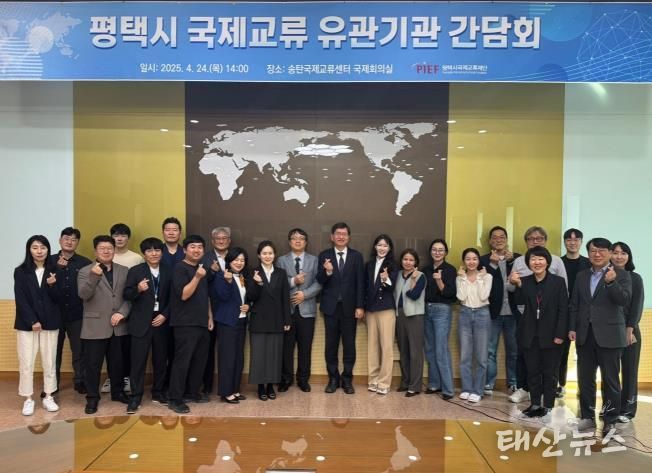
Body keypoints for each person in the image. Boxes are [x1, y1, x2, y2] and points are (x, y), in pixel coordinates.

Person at [569, 238, 631, 436]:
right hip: (585, 335)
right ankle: (587, 417)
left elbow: (624, 300)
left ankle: (610, 420)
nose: (597, 254)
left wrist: (611, 282)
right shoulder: (581, 275)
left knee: (610, 381)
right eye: (593, 250)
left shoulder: (621, 274)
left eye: (602, 250)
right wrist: (572, 327)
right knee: (585, 379)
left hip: (610, 336)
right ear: (588, 253)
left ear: (610, 253)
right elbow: (575, 304)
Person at [507, 226, 568, 404]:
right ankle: (534, 404)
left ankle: (547, 405)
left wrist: (560, 334)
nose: (537, 262)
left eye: (541, 259)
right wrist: (517, 284)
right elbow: (519, 301)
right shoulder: (525, 281)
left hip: (552, 333)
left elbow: (563, 308)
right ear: (528, 263)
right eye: (533, 259)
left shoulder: (558, 281)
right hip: (530, 332)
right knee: (532, 370)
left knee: (550, 372)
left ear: (547, 262)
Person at [78, 235, 131, 414]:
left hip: (119, 325)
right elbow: (83, 294)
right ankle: (92, 398)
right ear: (96, 251)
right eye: (102, 248)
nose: (107, 251)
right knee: (93, 365)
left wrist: (122, 313)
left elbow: (129, 297)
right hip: (95, 326)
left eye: (110, 248)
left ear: (114, 250)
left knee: (117, 363)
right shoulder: (85, 271)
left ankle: (118, 392)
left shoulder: (124, 270)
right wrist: (94, 276)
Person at [123, 237, 172, 414]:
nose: (154, 253)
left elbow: (174, 297)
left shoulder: (169, 271)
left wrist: (165, 315)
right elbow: (126, 294)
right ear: (144, 254)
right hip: (141, 322)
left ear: (162, 252)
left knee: (160, 360)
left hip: (161, 321)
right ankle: (135, 396)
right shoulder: (136, 271)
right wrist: (138, 289)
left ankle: (158, 392)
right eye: (149, 250)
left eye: (157, 250)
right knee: (138, 361)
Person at [14, 235, 61, 415]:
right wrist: (32, 320)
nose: (39, 251)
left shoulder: (55, 269)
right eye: (35, 247)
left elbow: (59, 299)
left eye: (43, 247)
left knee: (49, 361)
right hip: (27, 324)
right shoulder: (21, 271)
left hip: (50, 321)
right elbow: (21, 299)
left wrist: (53, 285)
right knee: (26, 362)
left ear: (48, 249)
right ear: (29, 250)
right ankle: (28, 399)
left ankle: (49, 396)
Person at [316, 222, 365, 394]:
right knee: (331, 345)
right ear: (332, 237)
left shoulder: (356, 256)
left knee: (349, 345)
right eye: (338, 234)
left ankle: (347, 380)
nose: (341, 237)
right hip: (330, 308)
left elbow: (360, 283)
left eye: (344, 234)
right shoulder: (324, 255)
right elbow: (319, 280)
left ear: (348, 237)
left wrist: (360, 306)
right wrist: (328, 271)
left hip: (350, 309)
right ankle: (333, 379)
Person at [167, 235, 213, 414]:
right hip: (185, 323)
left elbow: (206, 296)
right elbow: (184, 294)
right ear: (185, 250)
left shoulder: (201, 269)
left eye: (200, 247)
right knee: (182, 362)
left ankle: (192, 393)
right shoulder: (179, 268)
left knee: (199, 361)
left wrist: (209, 317)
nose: (196, 250)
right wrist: (197, 277)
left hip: (201, 322)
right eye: (192, 247)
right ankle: (175, 399)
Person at [276, 228, 321, 392]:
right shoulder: (281, 260)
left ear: (306, 242)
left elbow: (319, 282)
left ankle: (303, 380)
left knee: (305, 347)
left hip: (307, 311)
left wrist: (305, 294)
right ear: (289, 242)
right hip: (287, 311)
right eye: (294, 238)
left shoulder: (314, 260)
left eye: (301, 238)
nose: (298, 240)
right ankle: (286, 379)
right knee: (286, 348)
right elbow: (277, 283)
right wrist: (293, 281)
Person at [49, 227, 92, 395]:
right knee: (53, 350)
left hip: (77, 313)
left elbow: (89, 288)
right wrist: (57, 269)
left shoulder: (85, 263)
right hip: (54, 314)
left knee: (79, 350)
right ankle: (51, 384)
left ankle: (80, 381)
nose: (69, 242)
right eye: (66, 238)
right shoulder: (49, 261)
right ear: (60, 240)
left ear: (77, 243)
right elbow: (44, 285)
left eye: (74, 239)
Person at [248, 241, 291, 401]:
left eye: (270, 253)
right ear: (259, 255)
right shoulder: (253, 272)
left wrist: (287, 320)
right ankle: (260, 386)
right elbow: (250, 296)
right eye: (264, 253)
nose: (267, 256)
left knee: (274, 355)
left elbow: (285, 298)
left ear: (275, 255)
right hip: (259, 319)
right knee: (259, 355)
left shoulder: (281, 273)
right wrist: (258, 283)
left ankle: (270, 385)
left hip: (277, 319)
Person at [103, 223, 143, 395]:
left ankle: (126, 377)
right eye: (116, 235)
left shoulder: (136, 258)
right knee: (110, 346)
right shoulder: (104, 256)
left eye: (123, 235)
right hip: (107, 309)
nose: (119, 239)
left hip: (129, 306)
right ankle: (112, 378)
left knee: (126, 346)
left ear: (128, 238)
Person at [480, 226, 520, 396]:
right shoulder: (483, 260)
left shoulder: (517, 259)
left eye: (502, 237)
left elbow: (521, 283)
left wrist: (510, 262)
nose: (498, 240)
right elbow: (483, 283)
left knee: (514, 350)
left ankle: (513, 382)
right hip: (492, 313)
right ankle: (489, 383)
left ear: (507, 239)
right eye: (495, 237)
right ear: (490, 241)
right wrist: (493, 264)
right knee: (490, 351)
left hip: (513, 313)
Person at [212, 247, 254, 403]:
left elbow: (245, 297)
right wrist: (228, 282)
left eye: (242, 260)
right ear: (229, 261)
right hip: (227, 322)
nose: (239, 263)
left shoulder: (242, 277)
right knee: (227, 358)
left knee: (238, 357)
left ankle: (235, 389)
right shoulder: (221, 276)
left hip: (241, 321)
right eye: (236, 260)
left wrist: (248, 306)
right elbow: (223, 296)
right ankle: (226, 392)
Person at [610, 242, 644, 422]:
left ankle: (627, 410)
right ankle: (612, 408)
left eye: (623, 253)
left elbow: (637, 306)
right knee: (610, 372)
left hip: (630, 330)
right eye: (615, 252)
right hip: (610, 331)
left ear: (628, 256)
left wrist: (630, 329)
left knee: (630, 371)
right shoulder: (606, 276)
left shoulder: (635, 278)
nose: (619, 256)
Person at [456, 248, 492, 403]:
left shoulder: (487, 276)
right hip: (464, 313)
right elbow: (461, 297)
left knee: (481, 356)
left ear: (479, 261)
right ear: (464, 261)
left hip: (482, 314)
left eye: (474, 259)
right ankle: (466, 388)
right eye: (468, 259)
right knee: (465, 355)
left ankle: (478, 390)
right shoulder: (460, 277)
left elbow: (484, 296)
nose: (471, 262)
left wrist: (480, 279)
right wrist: (463, 278)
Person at [558, 228, 591, 398]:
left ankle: (582, 387)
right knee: (561, 352)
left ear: (581, 242)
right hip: (562, 312)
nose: (572, 242)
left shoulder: (589, 263)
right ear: (564, 242)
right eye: (569, 239)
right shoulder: (558, 262)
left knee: (584, 354)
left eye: (576, 239)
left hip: (583, 313)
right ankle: (560, 385)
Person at [422, 239, 456, 400]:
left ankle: (448, 389)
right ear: (430, 252)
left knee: (441, 349)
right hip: (426, 309)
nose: (437, 252)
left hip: (442, 310)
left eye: (441, 250)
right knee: (430, 348)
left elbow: (451, 294)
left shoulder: (450, 270)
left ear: (445, 252)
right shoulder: (425, 269)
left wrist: (439, 280)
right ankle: (434, 384)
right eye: (434, 249)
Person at [363, 234, 398, 395]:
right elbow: (364, 286)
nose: (382, 248)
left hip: (386, 309)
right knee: (373, 346)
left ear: (389, 248)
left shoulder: (393, 265)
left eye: (385, 245)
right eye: (379, 245)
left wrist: (385, 279)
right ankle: (373, 380)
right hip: (370, 309)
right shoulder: (369, 264)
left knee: (386, 346)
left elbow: (392, 287)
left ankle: (384, 382)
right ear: (375, 247)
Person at [201, 226, 232, 395]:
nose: (221, 241)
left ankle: (228, 386)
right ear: (212, 241)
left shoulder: (236, 257)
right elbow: (200, 284)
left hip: (230, 310)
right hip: (210, 310)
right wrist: (212, 272)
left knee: (227, 350)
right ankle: (206, 386)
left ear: (229, 240)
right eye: (218, 239)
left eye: (224, 238)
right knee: (207, 350)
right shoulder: (204, 258)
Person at [394, 249, 426, 397]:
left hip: (415, 316)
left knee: (415, 352)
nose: (408, 262)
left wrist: (413, 280)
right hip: (399, 315)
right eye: (405, 259)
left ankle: (415, 386)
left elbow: (413, 295)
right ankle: (405, 382)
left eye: (411, 260)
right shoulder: (398, 275)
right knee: (403, 351)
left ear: (416, 262)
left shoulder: (420, 276)